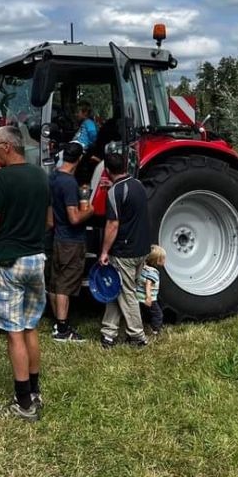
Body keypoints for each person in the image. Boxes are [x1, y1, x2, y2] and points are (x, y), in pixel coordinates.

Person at [0, 125, 52, 422]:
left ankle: (23, 404)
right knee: (31, 327)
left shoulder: (2, 179)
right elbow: (49, 221)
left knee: (14, 331)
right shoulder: (41, 176)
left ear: (7, 147)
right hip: (36, 260)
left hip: (10, 262)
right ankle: (34, 391)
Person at [98, 143, 149, 349]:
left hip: (124, 251)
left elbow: (113, 224)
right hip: (142, 249)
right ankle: (108, 332)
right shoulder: (138, 185)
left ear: (107, 171)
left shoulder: (115, 192)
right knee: (118, 289)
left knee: (126, 293)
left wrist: (104, 251)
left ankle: (138, 336)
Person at [48, 142, 92, 343]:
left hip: (57, 237)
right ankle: (63, 330)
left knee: (56, 282)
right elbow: (74, 218)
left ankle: (57, 323)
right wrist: (89, 210)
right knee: (65, 285)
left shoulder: (54, 177)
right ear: (79, 159)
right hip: (71, 241)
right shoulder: (68, 183)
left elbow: (49, 213)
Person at [137, 245, 166, 337]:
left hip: (139, 297)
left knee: (141, 313)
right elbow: (148, 284)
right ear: (158, 260)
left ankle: (139, 326)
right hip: (149, 298)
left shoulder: (144, 268)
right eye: (163, 258)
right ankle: (156, 331)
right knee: (158, 315)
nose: (165, 260)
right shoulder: (153, 272)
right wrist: (149, 297)